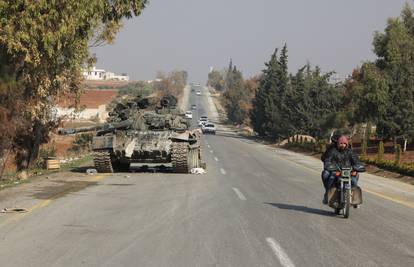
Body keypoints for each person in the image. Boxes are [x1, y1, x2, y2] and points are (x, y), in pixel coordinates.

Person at [322, 135, 365, 205]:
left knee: (354, 180)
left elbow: (356, 161)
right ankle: (327, 192)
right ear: (338, 144)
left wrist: (357, 168)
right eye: (341, 143)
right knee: (327, 175)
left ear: (347, 144)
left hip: (348, 171)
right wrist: (330, 166)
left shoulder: (350, 152)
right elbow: (328, 160)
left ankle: (354, 198)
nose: (343, 145)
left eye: (344, 143)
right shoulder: (333, 151)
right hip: (336, 171)